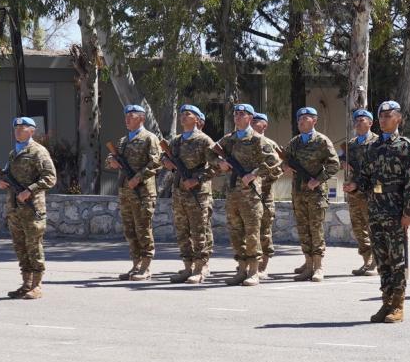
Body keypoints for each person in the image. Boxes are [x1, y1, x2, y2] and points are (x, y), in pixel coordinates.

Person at [356, 100, 410, 322]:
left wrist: (407, 212)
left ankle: (398, 305)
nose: (383, 120)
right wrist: (355, 185)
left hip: (395, 210)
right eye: (381, 116)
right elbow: (365, 176)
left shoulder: (407, 147)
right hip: (376, 210)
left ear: (398, 118)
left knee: (397, 259)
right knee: (382, 259)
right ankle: (386, 301)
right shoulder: (372, 147)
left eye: (388, 116)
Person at [214, 104, 282, 286]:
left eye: (242, 114)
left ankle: (254, 271)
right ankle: (241, 269)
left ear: (250, 118)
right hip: (232, 194)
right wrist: (220, 164)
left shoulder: (258, 139)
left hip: (251, 194)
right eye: (236, 114)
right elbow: (211, 153)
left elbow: (274, 160)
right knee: (235, 233)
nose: (237, 116)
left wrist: (254, 174)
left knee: (252, 233)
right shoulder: (229, 139)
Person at [0, 116, 57, 299]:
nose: (17, 131)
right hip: (14, 208)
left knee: (34, 246)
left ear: (32, 131)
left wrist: (30, 190)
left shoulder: (38, 151)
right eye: (16, 128)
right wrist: (0, 181)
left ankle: (37, 286)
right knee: (20, 247)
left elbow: (50, 177)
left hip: (32, 209)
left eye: (22, 128)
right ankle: (26, 284)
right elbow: (6, 174)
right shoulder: (13, 153)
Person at [282, 107, 340, 282]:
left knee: (315, 229)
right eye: (299, 118)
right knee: (303, 229)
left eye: (305, 118)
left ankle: (319, 266)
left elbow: (334, 164)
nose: (301, 121)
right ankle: (308, 266)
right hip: (298, 192)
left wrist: (318, 180)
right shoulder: (295, 142)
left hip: (315, 193)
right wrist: (284, 167)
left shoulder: (322, 141)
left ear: (314, 121)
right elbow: (284, 160)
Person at [105, 104, 162, 280]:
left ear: (142, 118)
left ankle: (146, 266)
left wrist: (138, 178)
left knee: (143, 228)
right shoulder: (123, 140)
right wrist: (111, 162)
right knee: (129, 230)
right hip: (125, 191)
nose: (127, 119)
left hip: (142, 192)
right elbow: (112, 158)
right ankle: (136, 264)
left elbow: (156, 163)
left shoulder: (149, 138)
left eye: (131, 116)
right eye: (126, 116)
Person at [162, 104, 217, 284]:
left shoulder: (204, 140)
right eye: (181, 114)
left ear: (197, 119)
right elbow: (164, 157)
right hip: (179, 192)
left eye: (187, 114)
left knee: (199, 230)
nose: (183, 117)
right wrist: (166, 163)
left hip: (197, 193)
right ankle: (187, 267)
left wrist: (197, 179)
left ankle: (200, 268)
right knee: (182, 231)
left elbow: (216, 166)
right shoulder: (176, 141)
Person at [338, 109, 379, 276]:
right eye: (356, 120)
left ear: (370, 123)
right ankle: (367, 260)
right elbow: (340, 158)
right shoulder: (351, 144)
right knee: (358, 228)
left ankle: (377, 262)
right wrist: (342, 163)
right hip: (354, 192)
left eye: (362, 120)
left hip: (371, 192)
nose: (358, 123)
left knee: (373, 227)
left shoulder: (378, 142)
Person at [251, 111, 279, 280]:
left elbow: (277, 169)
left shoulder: (270, 144)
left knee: (264, 230)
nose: (252, 123)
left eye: (256, 121)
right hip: (246, 195)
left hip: (264, 194)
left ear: (264, 125)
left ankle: (263, 266)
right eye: (251, 120)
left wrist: (259, 177)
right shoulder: (244, 142)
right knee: (248, 230)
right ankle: (249, 262)